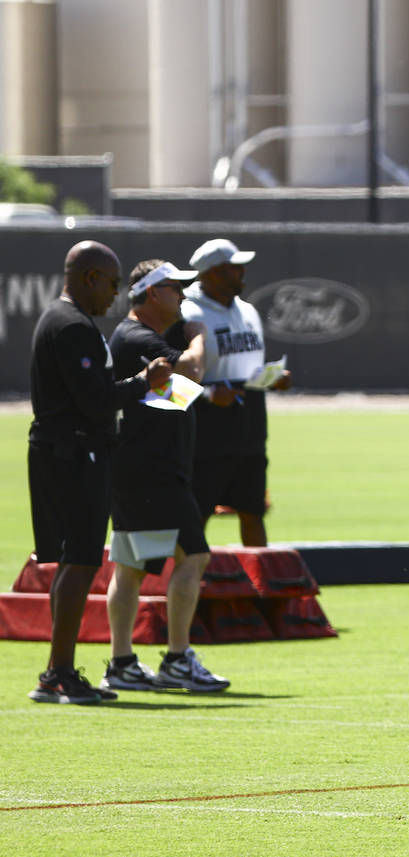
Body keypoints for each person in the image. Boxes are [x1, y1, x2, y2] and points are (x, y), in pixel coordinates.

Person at [26, 240, 172, 704]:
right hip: (73, 453)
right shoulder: (71, 326)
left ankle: (58, 670)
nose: (115, 294)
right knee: (82, 560)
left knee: (76, 560)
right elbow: (94, 401)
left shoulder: (67, 321)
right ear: (89, 278)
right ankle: (57, 672)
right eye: (111, 283)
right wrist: (143, 384)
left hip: (66, 451)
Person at [101, 259, 230, 694]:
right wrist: (198, 337)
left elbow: (179, 393)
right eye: (176, 289)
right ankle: (176, 657)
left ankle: (122, 662)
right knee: (193, 556)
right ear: (153, 293)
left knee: (131, 566)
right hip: (153, 468)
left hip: (138, 466)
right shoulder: (139, 337)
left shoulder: (135, 335)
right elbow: (190, 372)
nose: (184, 296)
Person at [182, 238, 291, 546]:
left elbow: (246, 368)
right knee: (198, 514)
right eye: (235, 267)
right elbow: (171, 379)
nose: (242, 272)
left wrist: (272, 378)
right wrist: (207, 394)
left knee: (252, 511)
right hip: (208, 433)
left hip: (250, 429)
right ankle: (187, 588)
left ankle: (261, 590)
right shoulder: (188, 313)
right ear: (214, 272)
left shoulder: (247, 311)